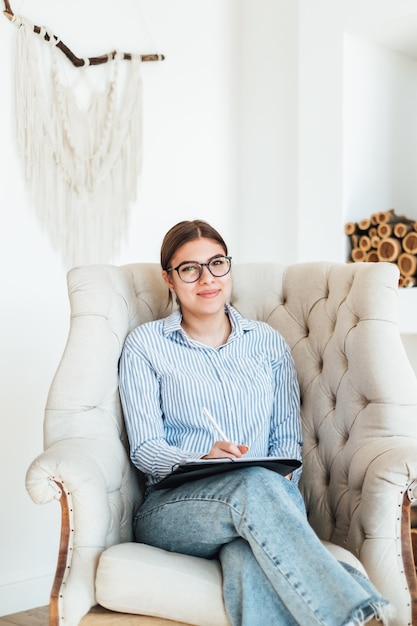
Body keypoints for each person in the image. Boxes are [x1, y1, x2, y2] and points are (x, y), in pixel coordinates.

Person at [118, 219, 390, 626]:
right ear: (169, 280)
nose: (206, 278)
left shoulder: (267, 342)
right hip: (174, 509)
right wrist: (202, 457)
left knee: (248, 546)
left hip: (267, 499)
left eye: (216, 264)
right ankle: (354, 614)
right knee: (253, 487)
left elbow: (285, 440)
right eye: (189, 269)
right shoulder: (146, 345)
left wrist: (278, 488)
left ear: (229, 267)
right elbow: (144, 449)